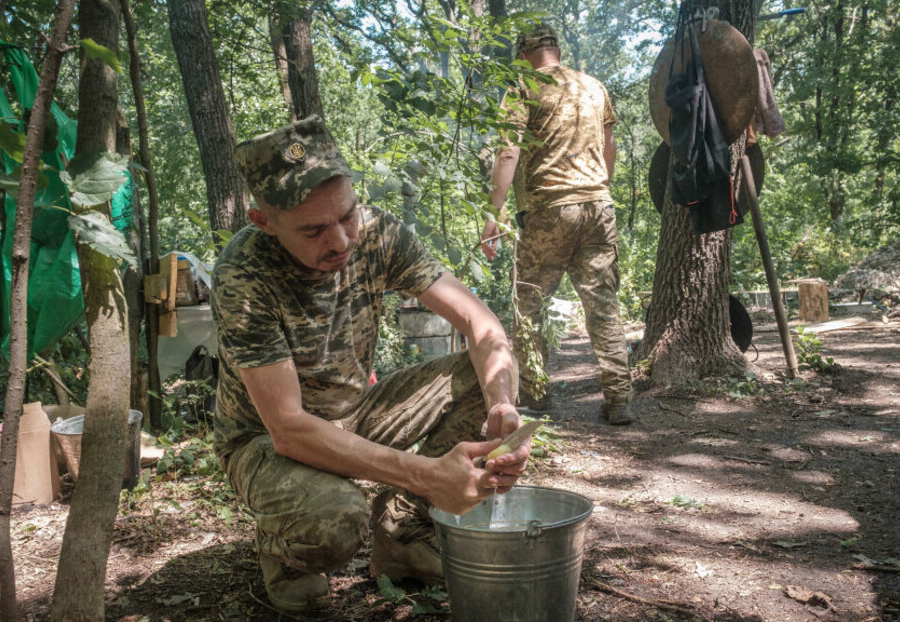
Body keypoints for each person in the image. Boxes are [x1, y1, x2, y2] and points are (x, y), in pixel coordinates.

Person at [212, 115, 528, 618]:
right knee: (334, 520)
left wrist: (503, 406)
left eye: (347, 215)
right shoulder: (243, 274)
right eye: (313, 230)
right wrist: (426, 474)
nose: (340, 241)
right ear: (264, 223)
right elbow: (289, 430)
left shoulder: (379, 234)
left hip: (355, 411)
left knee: (483, 376)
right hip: (263, 441)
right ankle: (286, 555)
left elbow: (481, 326)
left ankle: (402, 533)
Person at [481, 22, 634, 425]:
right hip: (599, 206)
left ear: (525, 54)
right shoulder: (594, 86)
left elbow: (507, 152)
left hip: (550, 209)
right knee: (603, 305)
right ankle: (619, 399)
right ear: (556, 50)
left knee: (529, 305)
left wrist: (493, 213)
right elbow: (609, 147)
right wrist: (598, 188)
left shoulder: (522, 87)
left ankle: (537, 395)